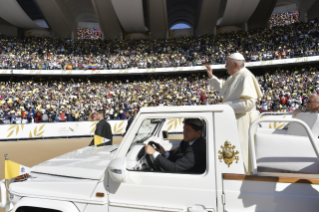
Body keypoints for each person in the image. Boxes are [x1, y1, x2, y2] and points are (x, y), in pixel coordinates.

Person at [205, 52, 262, 173]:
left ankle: (245, 175)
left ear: (236, 64)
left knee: (242, 152)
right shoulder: (234, 76)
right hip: (235, 120)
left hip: (243, 121)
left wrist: (225, 106)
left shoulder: (245, 76)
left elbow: (248, 103)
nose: (225, 66)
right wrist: (211, 77)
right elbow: (222, 87)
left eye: (227, 64)